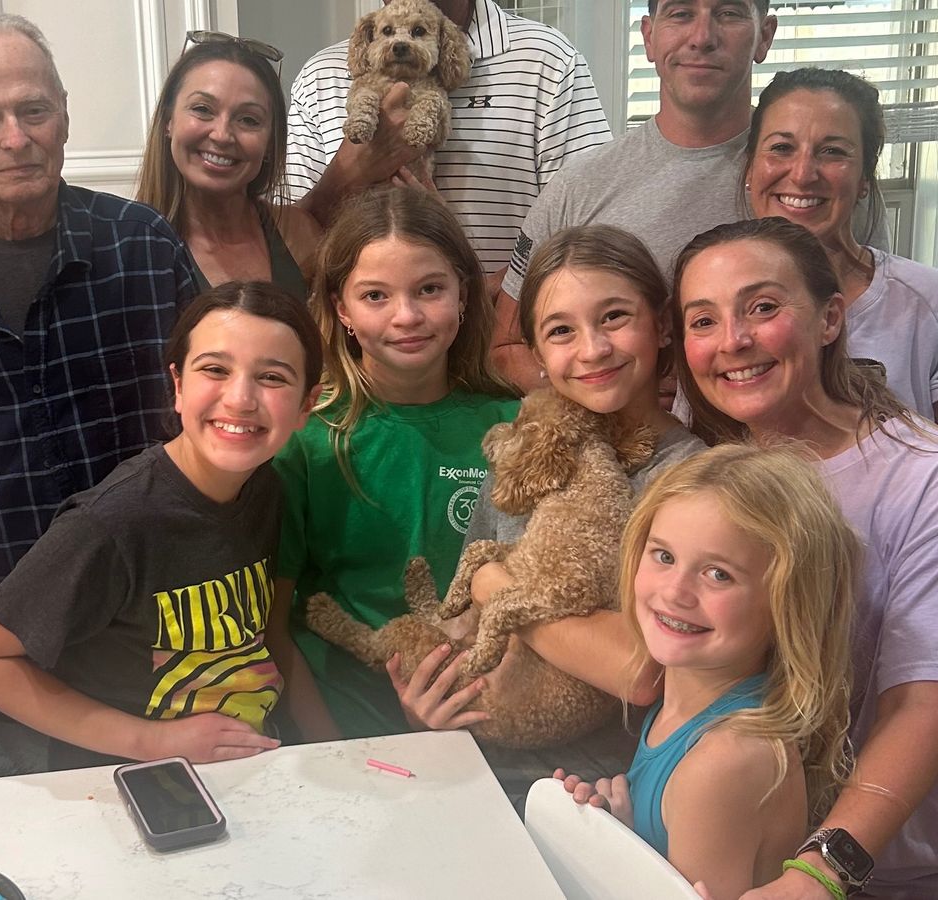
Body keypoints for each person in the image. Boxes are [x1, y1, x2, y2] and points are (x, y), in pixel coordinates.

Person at [0, 283, 324, 776]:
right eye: (215, 369)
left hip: (245, 768)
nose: (240, 398)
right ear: (178, 385)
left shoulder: (266, 487)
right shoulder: (111, 522)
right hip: (127, 783)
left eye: (272, 377)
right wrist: (150, 740)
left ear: (306, 405)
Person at [673, 217, 938, 898]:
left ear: (830, 319)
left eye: (763, 308)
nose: (733, 340)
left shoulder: (920, 478)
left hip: (877, 871)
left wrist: (823, 868)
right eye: (703, 320)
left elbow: (922, 703)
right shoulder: (713, 477)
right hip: (747, 849)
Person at [397, 226, 703, 804]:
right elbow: (465, 625)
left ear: (662, 324)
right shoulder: (522, 450)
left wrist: (495, 586)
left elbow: (641, 670)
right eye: (562, 330)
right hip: (474, 767)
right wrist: (429, 706)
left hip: (601, 790)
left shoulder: (693, 478)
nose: (593, 349)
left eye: (614, 317)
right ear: (537, 354)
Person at [0, 13, 196, 621]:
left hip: (149, 599)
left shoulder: (144, 244)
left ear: (64, 114)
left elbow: (213, 399)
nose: (15, 138)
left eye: (34, 110)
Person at [557, 444, 859, 899]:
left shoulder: (722, 764)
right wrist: (627, 844)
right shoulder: (690, 704)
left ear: (788, 604)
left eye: (719, 574)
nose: (675, 592)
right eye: (664, 556)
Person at [274, 185, 519, 740]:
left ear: (463, 294)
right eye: (375, 296)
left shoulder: (515, 426)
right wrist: (332, 749)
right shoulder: (306, 438)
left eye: (429, 289)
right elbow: (274, 623)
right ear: (341, 309)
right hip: (347, 722)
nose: (406, 316)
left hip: (488, 711)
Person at [492, 0, 780, 390]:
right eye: (680, 13)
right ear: (648, 36)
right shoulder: (577, 188)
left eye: (728, 13)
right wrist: (609, 399)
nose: (702, 37)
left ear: (765, 36)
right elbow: (506, 348)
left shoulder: (809, 188)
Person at [285, 0, 610, 278]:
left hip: (509, 324)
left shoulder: (548, 60)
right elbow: (290, 252)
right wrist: (348, 174)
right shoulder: (320, 76)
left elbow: (593, 226)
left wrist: (500, 296)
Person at [744, 67, 938, 421]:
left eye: (832, 152)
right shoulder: (708, 305)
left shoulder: (926, 301)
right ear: (749, 168)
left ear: (865, 177)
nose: (803, 174)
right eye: (782, 148)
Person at [136, 32, 321, 301]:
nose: (222, 135)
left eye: (248, 120)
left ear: (271, 142)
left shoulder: (299, 234)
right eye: (202, 109)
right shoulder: (131, 250)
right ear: (168, 121)